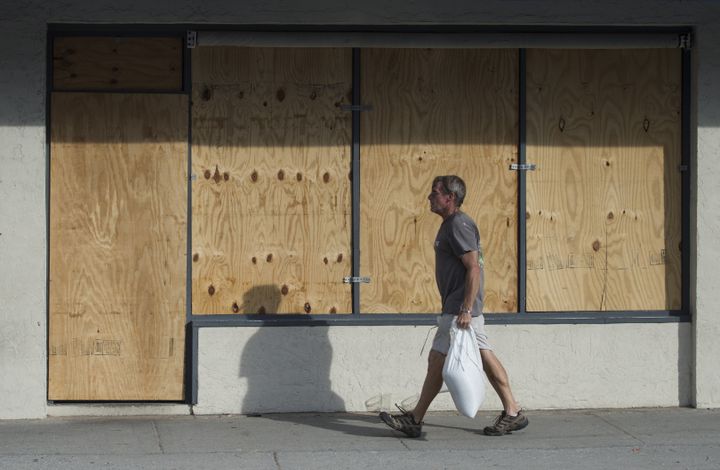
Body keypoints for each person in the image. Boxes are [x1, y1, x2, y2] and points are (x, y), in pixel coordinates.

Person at [379, 175, 528, 438]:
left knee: (450, 358)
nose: (430, 196)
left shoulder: (458, 224)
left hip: (461, 310)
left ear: (450, 198)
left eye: (435, 192)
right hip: (458, 307)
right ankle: (512, 411)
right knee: (461, 357)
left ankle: (417, 418)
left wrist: (466, 309)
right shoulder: (452, 224)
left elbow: (473, 269)